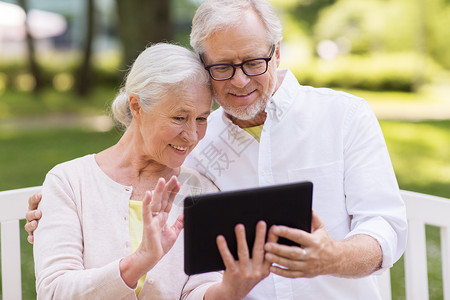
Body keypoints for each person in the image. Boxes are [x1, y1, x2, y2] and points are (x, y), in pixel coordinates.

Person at [27, 0, 408, 299]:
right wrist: (59, 209)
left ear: (276, 53)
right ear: (204, 68)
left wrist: (333, 258)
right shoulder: (192, 146)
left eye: (254, 62)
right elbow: (130, 170)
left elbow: (386, 225)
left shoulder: (342, 116)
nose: (240, 80)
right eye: (223, 66)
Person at [31, 42, 272, 300]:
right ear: (136, 107)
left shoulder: (201, 191)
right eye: (179, 117)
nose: (192, 136)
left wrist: (229, 291)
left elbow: (197, 289)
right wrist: (139, 262)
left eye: (201, 118)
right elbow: (54, 292)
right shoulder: (70, 182)